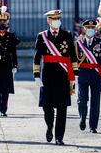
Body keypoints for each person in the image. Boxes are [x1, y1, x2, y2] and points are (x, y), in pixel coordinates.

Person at [33, 9, 78, 145]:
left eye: (58, 18)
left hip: (63, 76)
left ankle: (59, 137)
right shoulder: (42, 36)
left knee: (62, 108)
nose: (57, 21)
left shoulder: (67, 35)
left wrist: (74, 75)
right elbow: (36, 57)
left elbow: (73, 56)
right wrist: (36, 75)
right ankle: (49, 126)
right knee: (47, 106)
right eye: (54, 19)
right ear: (49, 20)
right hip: (47, 76)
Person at [75, 19, 101, 133]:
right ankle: (83, 118)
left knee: (95, 101)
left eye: (92, 28)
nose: (90, 30)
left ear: (94, 29)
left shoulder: (100, 42)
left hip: (96, 74)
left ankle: (93, 126)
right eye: (88, 28)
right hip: (83, 73)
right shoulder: (78, 42)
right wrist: (73, 74)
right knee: (82, 99)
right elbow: (74, 60)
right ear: (84, 29)